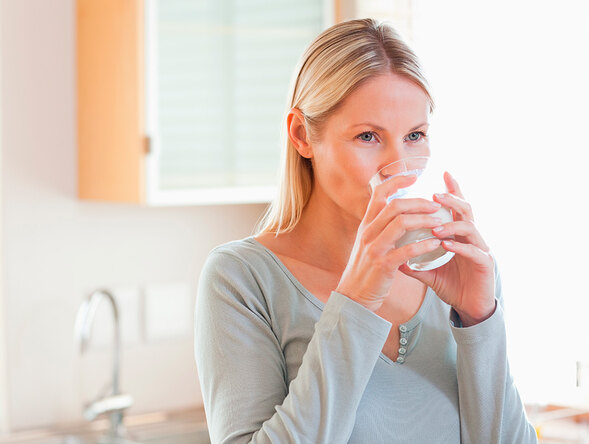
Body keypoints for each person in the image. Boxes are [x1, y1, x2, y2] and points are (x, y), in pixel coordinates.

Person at [195, 18, 537, 443]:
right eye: (368, 136)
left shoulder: (455, 272)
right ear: (302, 136)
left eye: (415, 135)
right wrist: (355, 304)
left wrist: (480, 321)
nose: (402, 168)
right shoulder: (242, 280)